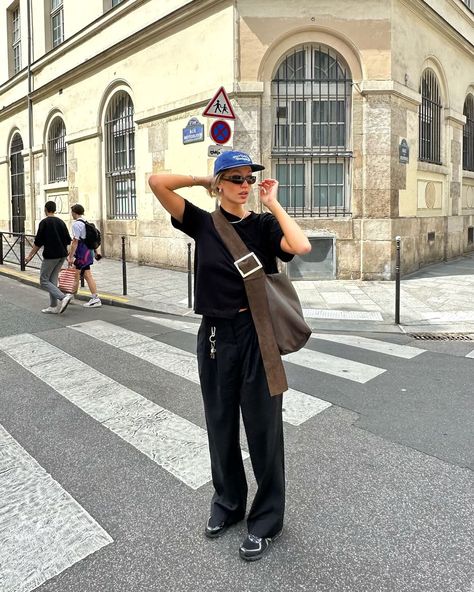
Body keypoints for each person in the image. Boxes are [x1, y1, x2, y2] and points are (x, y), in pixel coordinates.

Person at [148, 150, 311, 561]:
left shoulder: (261, 224)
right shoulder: (202, 223)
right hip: (217, 336)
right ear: (221, 182)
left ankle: (267, 519)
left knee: (263, 431)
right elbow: (157, 182)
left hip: (258, 337)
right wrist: (203, 181)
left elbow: (301, 245)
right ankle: (228, 504)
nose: (244, 185)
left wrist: (273, 202)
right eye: (235, 178)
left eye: (249, 179)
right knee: (220, 426)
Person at [25, 200, 73, 314]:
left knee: (43, 280)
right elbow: (68, 241)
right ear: (54, 209)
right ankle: (53, 306)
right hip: (62, 255)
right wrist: (68, 255)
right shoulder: (61, 222)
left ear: (46, 210)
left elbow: (38, 243)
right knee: (52, 280)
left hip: (51, 256)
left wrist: (29, 256)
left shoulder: (44, 223)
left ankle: (63, 297)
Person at [67, 204, 102, 308]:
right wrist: (96, 252)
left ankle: (94, 298)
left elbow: (75, 242)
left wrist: (70, 257)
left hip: (82, 253)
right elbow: (91, 240)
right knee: (81, 274)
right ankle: (72, 295)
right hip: (88, 251)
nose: (71, 214)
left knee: (80, 274)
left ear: (74, 212)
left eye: (72, 212)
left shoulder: (76, 225)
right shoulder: (86, 222)